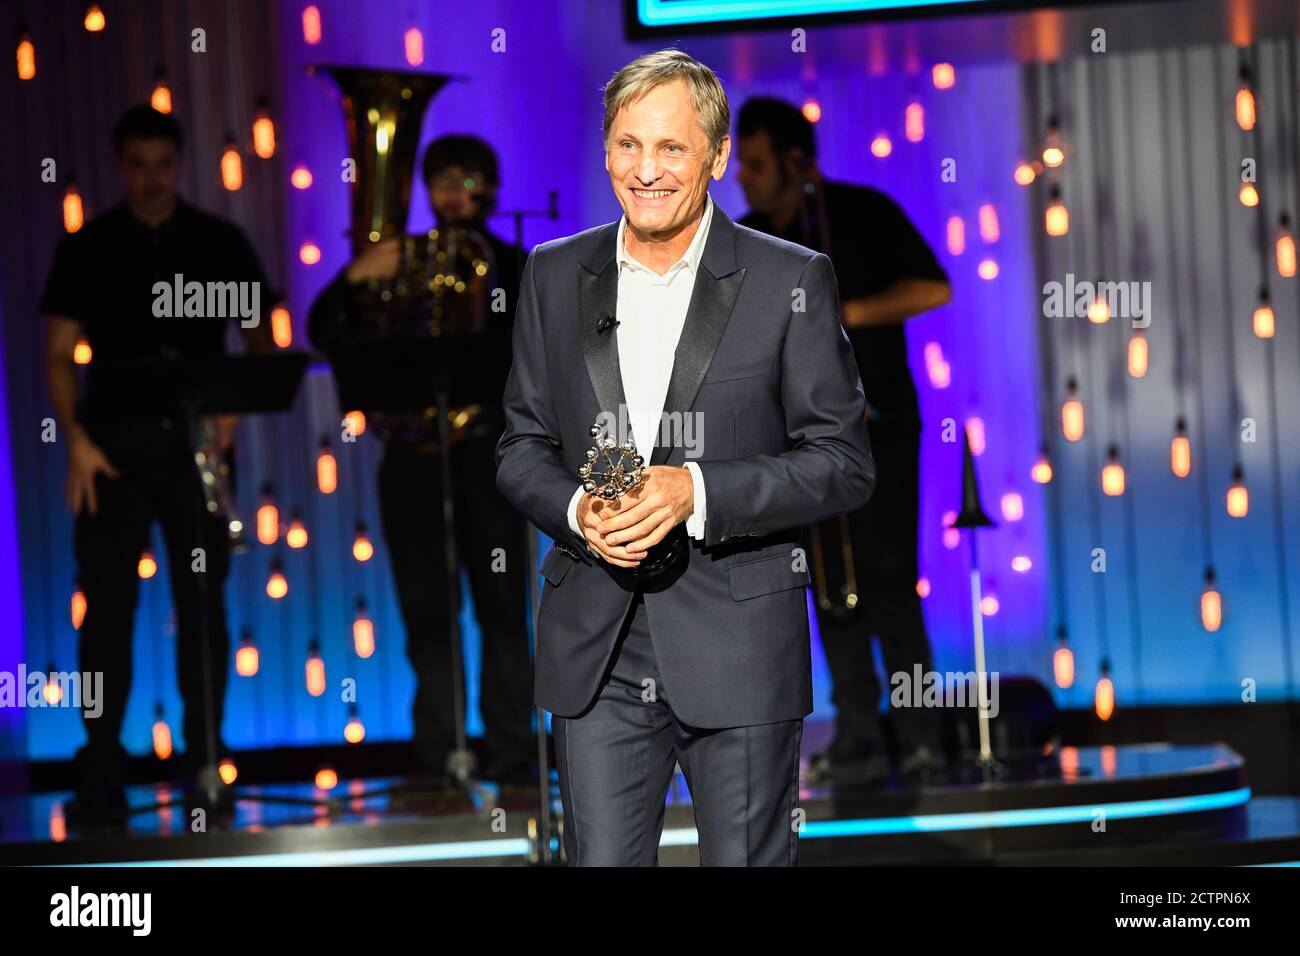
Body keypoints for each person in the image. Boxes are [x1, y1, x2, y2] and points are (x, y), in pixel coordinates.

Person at [496, 50, 874, 866]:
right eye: (629, 145)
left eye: (671, 148)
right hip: (596, 649)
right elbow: (521, 445)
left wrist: (693, 489)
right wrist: (577, 510)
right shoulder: (553, 275)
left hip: (738, 645)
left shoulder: (789, 279)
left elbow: (843, 461)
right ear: (605, 152)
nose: (647, 170)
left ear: (717, 154)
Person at [40, 104, 274, 827]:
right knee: (104, 616)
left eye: (161, 165)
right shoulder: (89, 246)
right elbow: (56, 353)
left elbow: (261, 344)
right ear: (121, 166)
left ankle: (207, 763)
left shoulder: (217, 242)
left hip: (192, 449)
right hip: (109, 452)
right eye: (137, 165)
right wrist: (76, 440)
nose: (149, 179)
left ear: (179, 164)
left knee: (204, 612)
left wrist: (224, 428)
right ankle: (101, 771)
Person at [308, 135, 535, 793]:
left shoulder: (516, 265)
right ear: (426, 190)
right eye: (443, 180)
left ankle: (515, 754)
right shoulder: (395, 262)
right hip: (411, 463)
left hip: (490, 456)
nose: (457, 193)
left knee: (502, 609)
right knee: (427, 613)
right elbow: (322, 330)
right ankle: (441, 755)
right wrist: (357, 275)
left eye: (470, 179)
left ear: (491, 188)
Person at [735, 96, 953, 783]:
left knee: (887, 576)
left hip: (876, 424)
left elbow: (932, 288)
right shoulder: (746, 239)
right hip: (795, 440)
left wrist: (845, 313)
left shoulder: (860, 210)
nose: (742, 175)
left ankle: (920, 734)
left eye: (756, 162)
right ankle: (857, 730)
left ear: (796, 161)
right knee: (826, 582)